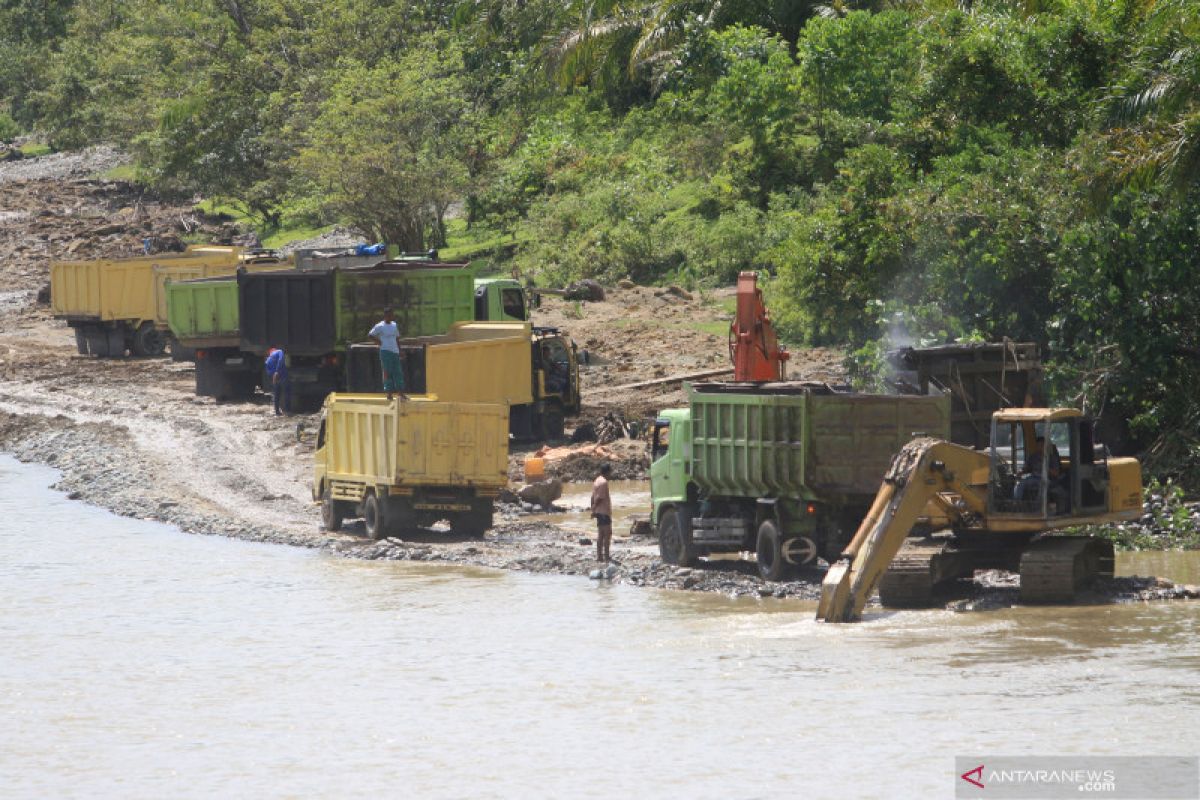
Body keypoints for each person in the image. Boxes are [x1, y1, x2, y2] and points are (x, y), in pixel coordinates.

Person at [368, 308, 406, 401]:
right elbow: (370, 335)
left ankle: (401, 393)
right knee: (387, 372)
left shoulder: (394, 325)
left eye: (391, 315)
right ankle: (389, 394)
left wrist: (400, 350)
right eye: (388, 315)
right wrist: (379, 342)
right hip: (385, 351)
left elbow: (397, 338)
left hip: (395, 352)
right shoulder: (380, 326)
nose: (390, 317)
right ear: (385, 316)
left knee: (398, 372)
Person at [590, 463, 614, 562]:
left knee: (600, 535)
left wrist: (593, 509)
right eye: (610, 472)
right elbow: (599, 498)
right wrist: (594, 508)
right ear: (607, 472)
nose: (611, 475)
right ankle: (606, 556)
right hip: (604, 512)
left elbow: (592, 496)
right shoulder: (604, 482)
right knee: (607, 534)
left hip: (599, 512)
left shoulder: (597, 481)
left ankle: (599, 556)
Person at [264, 346, 290, 416]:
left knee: (276, 395)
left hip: (275, 379)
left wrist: (273, 375)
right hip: (283, 376)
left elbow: (268, 372)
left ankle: (277, 412)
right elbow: (281, 360)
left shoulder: (268, 360)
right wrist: (277, 371)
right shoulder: (279, 351)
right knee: (286, 393)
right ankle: (287, 411)